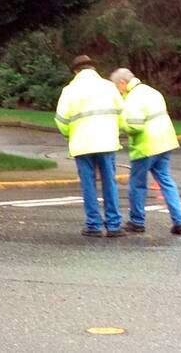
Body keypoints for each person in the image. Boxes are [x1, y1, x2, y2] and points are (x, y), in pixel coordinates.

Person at [109, 68, 181, 235]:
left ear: (122, 83)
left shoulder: (132, 98)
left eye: (117, 87)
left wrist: (119, 125)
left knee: (137, 184)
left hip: (146, 146)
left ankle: (137, 221)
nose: (117, 91)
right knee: (166, 181)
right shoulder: (152, 92)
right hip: (165, 142)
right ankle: (179, 221)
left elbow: (135, 125)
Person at [55, 55, 126, 237]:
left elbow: (61, 120)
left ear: (76, 71)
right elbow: (121, 113)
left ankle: (93, 225)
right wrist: (114, 129)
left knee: (88, 184)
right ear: (93, 69)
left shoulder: (70, 90)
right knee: (109, 183)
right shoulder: (109, 87)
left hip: (82, 143)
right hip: (107, 142)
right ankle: (113, 225)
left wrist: (70, 133)